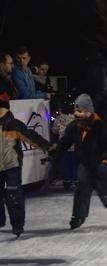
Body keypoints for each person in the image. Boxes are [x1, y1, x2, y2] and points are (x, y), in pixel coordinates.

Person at [54, 94, 107, 229]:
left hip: (100, 163)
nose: (77, 114)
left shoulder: (100, 125)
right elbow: (64, 143)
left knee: (104, 191)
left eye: (80, 111)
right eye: (76, 111)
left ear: (89, 111)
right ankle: (78, 216)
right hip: (84, 163)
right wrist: (55, 156)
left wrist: (106, 161)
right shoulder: (74, 126)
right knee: (82, 189)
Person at [0, 98, 51, 236]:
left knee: (13, 195)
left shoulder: (14, 125)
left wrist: (47, 146)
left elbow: (31, 136)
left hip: (12, 166)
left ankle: (17, 225)